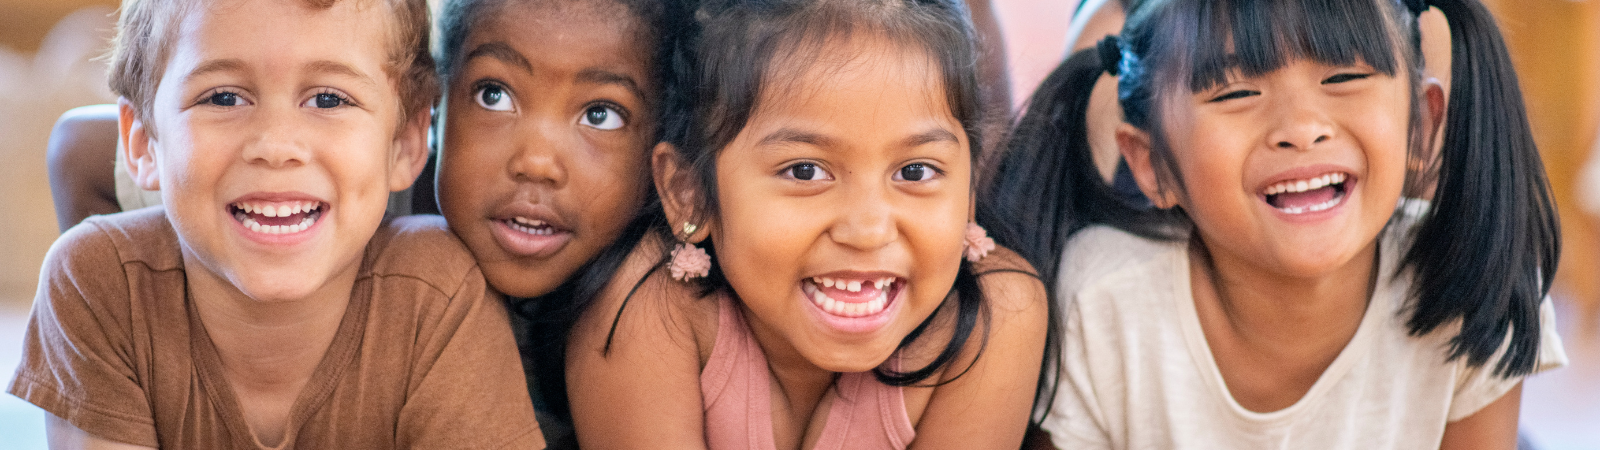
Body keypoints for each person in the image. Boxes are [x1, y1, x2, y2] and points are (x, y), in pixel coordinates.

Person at [986, 0, 1567, 448]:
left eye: (1344, 78)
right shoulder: (1098, 306)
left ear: (1421, 123)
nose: (1302, 127)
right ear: (1152, 162)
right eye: (1238, 91)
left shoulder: (1474, 278)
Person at [8, 0, 543, 448]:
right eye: (223, 97)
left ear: (406, 140)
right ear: (143, 141)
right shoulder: (97, 283)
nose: (276, 146)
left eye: (329, 99)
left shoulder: (435, 298)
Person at [565, 0, 1051, 447]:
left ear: (968, 187)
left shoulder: (998, 313)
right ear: (688, 194)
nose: (867, 231)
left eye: (915, 171)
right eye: (805, 171)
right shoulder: (649, 306)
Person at [430, 0, 687, 446]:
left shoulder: (663, 311)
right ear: (432, 108)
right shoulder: (383, 267)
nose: (537, 163)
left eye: (600, 114)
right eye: (494, 94)